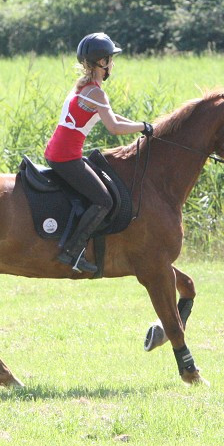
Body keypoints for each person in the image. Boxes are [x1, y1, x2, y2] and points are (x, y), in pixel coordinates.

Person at [44, 32, 153, 273]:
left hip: (59, 152)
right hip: (66, 157)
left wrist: (139, 124)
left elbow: (111, 117)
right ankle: (71, 252)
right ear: (102, 63)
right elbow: (113, 128)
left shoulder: (85, 88)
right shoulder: (96, 92)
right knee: (104, 200)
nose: (113, 64)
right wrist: (143, 127)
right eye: (111, 60)